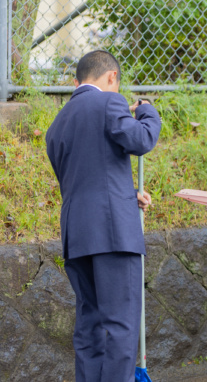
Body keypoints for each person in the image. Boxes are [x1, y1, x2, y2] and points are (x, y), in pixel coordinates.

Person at [45, 50, 161, 382]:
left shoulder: (59, 121)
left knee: (89, 324)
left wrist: (127, 195)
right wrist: (148, 112)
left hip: (76, 233)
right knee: (121, 324)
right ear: (111, 77)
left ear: (76, 81)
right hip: (112, 233)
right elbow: (140, 140)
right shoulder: (110, 103)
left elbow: (84, 176)